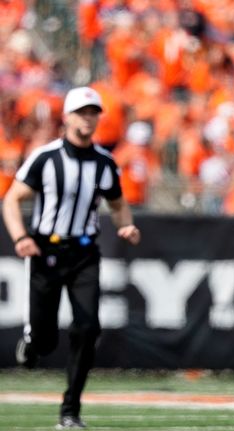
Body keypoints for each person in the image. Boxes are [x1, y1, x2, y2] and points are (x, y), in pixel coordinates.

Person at [2, 86, 141, 429]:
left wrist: (127, 227)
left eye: (94, 112)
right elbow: (12, 199)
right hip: (46, 250)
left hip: (83, 253)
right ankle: (33, 345)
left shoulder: (105, 163)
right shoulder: (45, 157)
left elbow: (118, 204)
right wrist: (21, 237)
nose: (88, 118)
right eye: (82, 112)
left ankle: (70, 410)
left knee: (88, 327)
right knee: (46, 339)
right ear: (66, 117)